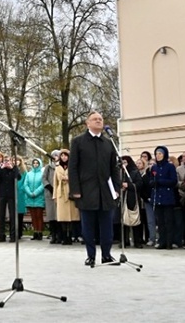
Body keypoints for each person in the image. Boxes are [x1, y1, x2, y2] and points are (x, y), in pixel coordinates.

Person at [69, 110, 123, 267]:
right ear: (88, 123)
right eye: (95, 119)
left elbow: (114, 167)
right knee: (88, 226)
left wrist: (117, 187)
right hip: (86, 190)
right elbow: (73, 168)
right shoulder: (78, 141)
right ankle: (90, 255)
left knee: (107, 225)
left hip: (106, 191)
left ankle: (107, 255)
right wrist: (75, 190)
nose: (99, 121)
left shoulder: (108, 143)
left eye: (100, 119)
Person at [149, 145, 177, 249]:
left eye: (160, 153)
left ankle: (169, 242)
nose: (158, 155)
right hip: (157, 197)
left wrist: (160, 181)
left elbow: (173, 181)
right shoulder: (154, 167)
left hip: (167, 196)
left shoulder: (170, 166)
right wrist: (153, 183)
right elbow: (151, 180)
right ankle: (162, 241)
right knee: (160, 222)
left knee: (168, 221)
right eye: (156, 154)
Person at [53, 149, 79, 245]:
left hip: (71, 193)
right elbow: (55, 182)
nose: (64, 157)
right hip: (61, 193)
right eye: (62, 156)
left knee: (71, 217)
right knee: (63, 217)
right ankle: (64, 237)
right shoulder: (57, 167)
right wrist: (55, 195)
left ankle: (70, 237)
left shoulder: (73, 166)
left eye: (66, 156)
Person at [120, 155, 145, 248]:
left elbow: (139, 185)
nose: (123, 165)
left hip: (132, 198)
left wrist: (129, 185)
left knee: (134, 218)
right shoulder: (120, 172)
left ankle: (137, 240)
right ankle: (124, 240)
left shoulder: (134, 172)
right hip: (122, 198)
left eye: (125, 163)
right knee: (123, 219)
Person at [0, 157, 21, 242]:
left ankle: (12, 236)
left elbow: (18, 177)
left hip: (11, 195)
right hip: (2, 195)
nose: (7, 162)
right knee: (1, 215)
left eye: (8, 161)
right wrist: (1, 168)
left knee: (12, 215)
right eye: (5, 161)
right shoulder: (0, 169)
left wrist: (12, 168)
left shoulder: (14, 169)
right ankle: (1, 235)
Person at [23, 157, 46, 240]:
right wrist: (29, 192)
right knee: (33, 216)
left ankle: (40, 232)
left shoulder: (42, 173)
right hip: (30, 198)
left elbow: (43, 185)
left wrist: (35, 192)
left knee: (39, 215)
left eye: (37, 163)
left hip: (39, 197)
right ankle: (35, 232)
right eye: (34, 163)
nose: (35, 164)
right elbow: (25, 185)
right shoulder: (29, 174)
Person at [44, 150, 61, 244]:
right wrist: (49, 187)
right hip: (50, 194)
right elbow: (43, 178)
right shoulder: (48, 167)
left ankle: (59, 235)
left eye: (57, 155)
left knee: (58, 215)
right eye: (53, 155)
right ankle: (53, 235)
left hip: (59, 193)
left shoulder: (61, 166)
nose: (55, 157)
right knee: (51, 216)